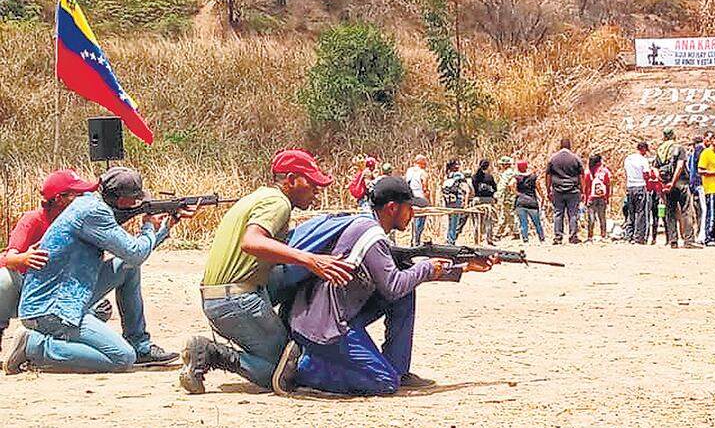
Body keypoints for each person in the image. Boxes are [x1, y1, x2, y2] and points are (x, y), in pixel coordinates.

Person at [271, 176, 497, 396]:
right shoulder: (372, 236)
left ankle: (399, 370)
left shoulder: (364, 224)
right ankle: (303, 368)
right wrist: (427, 267)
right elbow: (393, 286)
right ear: (392, 208)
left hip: (323, 315)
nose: (413, 214)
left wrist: (463, 267)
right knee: (383, 382)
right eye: (409, 208)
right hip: (325, 326)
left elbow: (400, 280)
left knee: (405, 295)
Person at [178, 149, 354, 394]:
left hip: (219, 294)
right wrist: (311, 260)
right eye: (312, 183)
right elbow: (252, 242)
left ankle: (280, 329)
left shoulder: (259, 197)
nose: (317, 190)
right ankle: (213, 353)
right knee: (280, 371)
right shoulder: (278, 203)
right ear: (291, 180)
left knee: (299, 276)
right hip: (234, 300)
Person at [5, 167, 192, 375]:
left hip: (69, 293)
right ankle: (35, 345)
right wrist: (148, 227)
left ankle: (140, 345)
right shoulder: (93, 212)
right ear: (120, 201)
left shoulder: (89, 203)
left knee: (127, 267)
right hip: (52, 308)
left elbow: (132, 257)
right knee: (122, 358)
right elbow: (136, 252)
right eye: (134, 200)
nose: (136, 204)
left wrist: (166, 227)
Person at [0, 170, 106, 352]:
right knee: (4, 280)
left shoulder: (80, 221)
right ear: (59, 199)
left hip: (63, 289)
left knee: (102, 308)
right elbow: (7, 258)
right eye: (78, 194)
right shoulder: (33, 220)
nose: (83, 198)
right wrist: (23, 258)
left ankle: (51, 342)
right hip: (30, 289)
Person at [656, 128, 697, 248]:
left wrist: (663, 183)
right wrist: (673, 182)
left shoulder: (661, 150)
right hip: (680, 183)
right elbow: (680, 167)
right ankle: (688, 241)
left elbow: (655, 168)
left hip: (667, 184)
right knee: (686, 211)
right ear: (674, 136)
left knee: (670, 212)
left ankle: (673, 240)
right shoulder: (679, 148)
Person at [546, 138, 584, 245]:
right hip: (573, 189)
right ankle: (573, 236)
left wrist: (548, 189)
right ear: (569, 146)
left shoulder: (553, 158)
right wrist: (583, 191)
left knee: (558, 213)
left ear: (560, 145)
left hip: (557, 190)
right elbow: (581, 175)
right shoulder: (575, 158)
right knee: (572, 214)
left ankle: (558, 237)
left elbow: (548, 175)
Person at [698, 133, 715, 247]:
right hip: (711, 188)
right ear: (713, 140)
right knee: (712, 214)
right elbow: (700, 170)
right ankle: (709, 237)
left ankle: (713, 236)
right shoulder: (706, 153)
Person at [622, 141, 651, 244]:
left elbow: (625, 173)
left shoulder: (628, 159)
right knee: (640, 212)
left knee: (631, 212)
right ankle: (638, 237)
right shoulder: (643, 160)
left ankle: (628, 235)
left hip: (630, 187)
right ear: (643, 149)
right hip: (640, 186)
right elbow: (646, 175)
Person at [514, 159, 546, 243]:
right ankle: (541, 238)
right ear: (526, 166)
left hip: (520, 202)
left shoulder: (516, 177)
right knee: (537, 222)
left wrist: (516, 193)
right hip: (532, 202)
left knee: (523, 222)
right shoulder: (533, 177)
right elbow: (538, 187)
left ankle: (525, 239)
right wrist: (542, 197)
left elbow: (510, 184)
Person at [582, 154, 612, 242]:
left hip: (591, 198)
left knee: (591, 218)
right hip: (602, 197)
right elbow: (608, 184)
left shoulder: (588, 172)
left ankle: (590, 236)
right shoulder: (605, 171)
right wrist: (607, 197)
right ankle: (603, 235)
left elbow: (586, 187)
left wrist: (585, 197)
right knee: (602, 216)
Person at [468, 159, 497, 245]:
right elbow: (495, 188)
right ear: (488, 167)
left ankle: (477, 239)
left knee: (477, 220)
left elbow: (473, 189)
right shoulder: (490, 177)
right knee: (489, 220)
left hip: (478, 199)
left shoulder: (474, 177)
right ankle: (489, 239)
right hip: (489, 200)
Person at [405, 155, 430, 247]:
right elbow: (425, 188)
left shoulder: (409, 171)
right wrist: (428, 200)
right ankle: (417, 241)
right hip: (420, 198)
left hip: (410, 198)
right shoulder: (423, 173)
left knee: (413, 219)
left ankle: (413, 240)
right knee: (420, 221)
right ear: (422, 163)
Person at [688, 135, 708, 244]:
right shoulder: (700, 150)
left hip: (694, 185)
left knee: (698, 211)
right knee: (704, 210)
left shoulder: (691, 154)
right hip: (701, 184)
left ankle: (699, 233)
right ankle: (702, 236)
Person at [441, 159, 465, 246]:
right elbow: (463, 178)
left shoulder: (447, 175)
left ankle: (449, 239)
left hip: (449, 200)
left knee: (451, 220)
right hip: (456, 199)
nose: (458, 166)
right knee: (455, 220)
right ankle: (451, 240)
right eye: (457, 164)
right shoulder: (458, 175)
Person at [493, 157, 518, 241]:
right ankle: (500, 233)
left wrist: (497, 195)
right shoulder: (513, 172)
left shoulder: (507, 174)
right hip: (511, 197)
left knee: (508, 215)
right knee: (506, 215)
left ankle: (499, 234)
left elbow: (502, 186)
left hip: (508, 198)